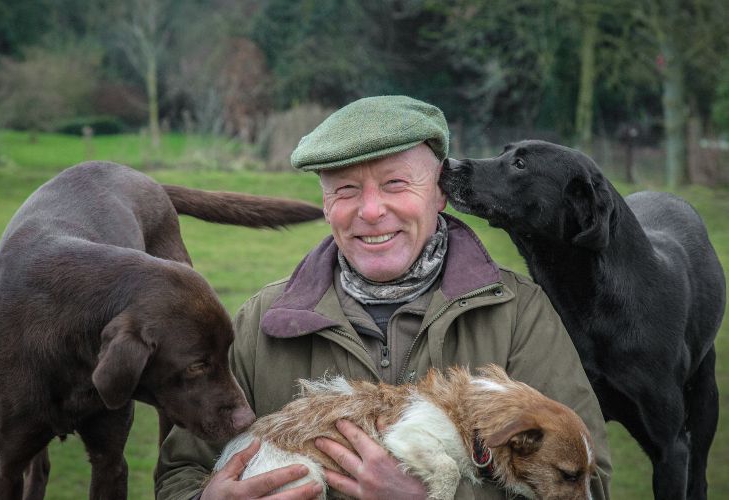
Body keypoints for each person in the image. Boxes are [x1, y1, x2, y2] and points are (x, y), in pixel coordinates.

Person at [155, 95, 612, 499]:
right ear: (327, 204)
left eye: (395, 184)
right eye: (347, 190)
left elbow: (588, 481)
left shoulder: (517, 313)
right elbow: (178, 471)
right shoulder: (263, 321)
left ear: (439, 194)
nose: (371, 211)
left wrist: (435, 497)